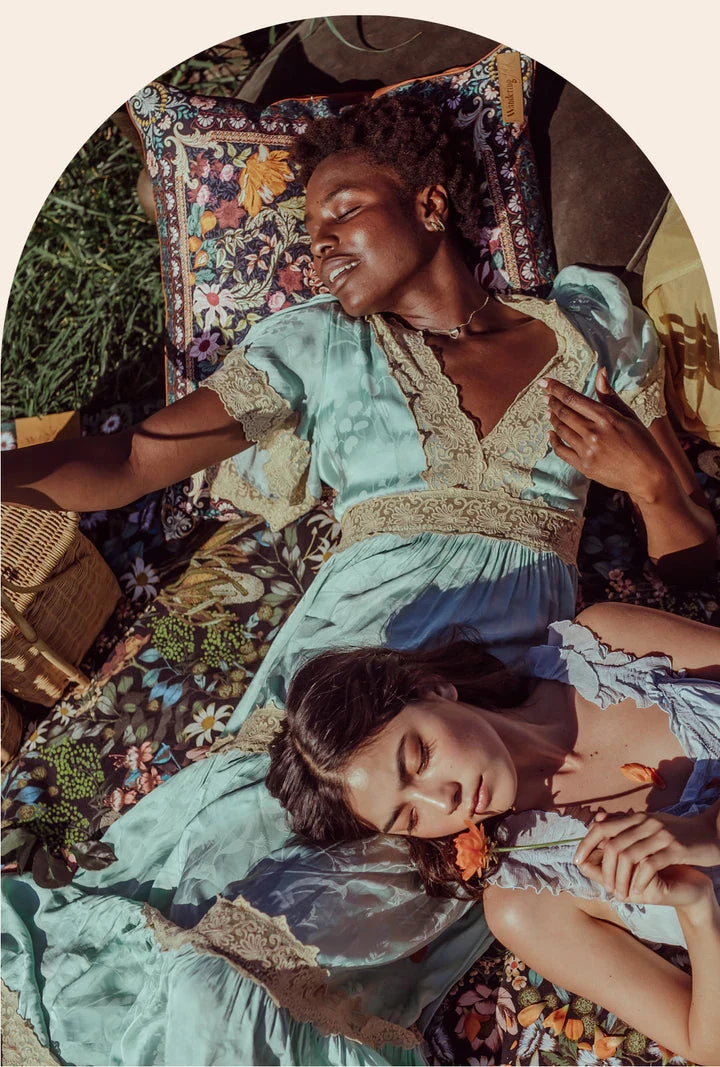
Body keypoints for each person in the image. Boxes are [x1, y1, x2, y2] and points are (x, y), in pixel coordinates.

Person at [1, 97, 717, 1066]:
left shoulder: (586, 324)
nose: (321, 248)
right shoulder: (314, 346)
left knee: (365, 907)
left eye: (342, 213)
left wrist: (651, 486)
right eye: (310, 236)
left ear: (429, 204)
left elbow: (693, 558)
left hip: (491, 671)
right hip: (360, 646)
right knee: (217, 864)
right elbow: (131, 460)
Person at [267, 601, 720, 1064]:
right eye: (409, 818)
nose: (443, 801)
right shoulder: (528, 902)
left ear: (434, 689)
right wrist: (697, 909)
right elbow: (708, 1044)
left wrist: (710, 831)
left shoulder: (605, 647)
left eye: (420, 757)